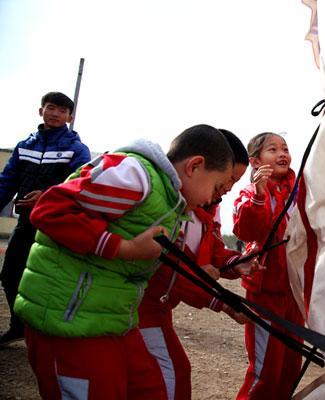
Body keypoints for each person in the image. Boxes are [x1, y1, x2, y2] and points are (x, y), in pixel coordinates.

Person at [13, 124, 234, 399]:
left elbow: (172, 261)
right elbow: (50, 209)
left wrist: (224, 301)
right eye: (216, 187)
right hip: (69, 322)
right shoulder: (136, 176)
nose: (214, 198)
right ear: (194, 166)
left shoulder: (171, 205)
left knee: (152, 389)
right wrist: (125, 248)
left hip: (113, 320)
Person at [138, 129, 255, 400]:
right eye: (224, 182)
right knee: (167, 376)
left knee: (175, 372)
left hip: (157, 309)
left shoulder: (205, 206)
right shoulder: (168, 205)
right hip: (139, 308)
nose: (226, 191)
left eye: (232, 183)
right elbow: (168, 267)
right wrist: (222, 302)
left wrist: (237, 262)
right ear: (198, 166)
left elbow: (211, 253)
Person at [0, 92, 91, 345]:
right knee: (10, 274)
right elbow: (6, 182)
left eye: (62, 111)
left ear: (70, 117)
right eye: (51, 108)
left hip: (57, 227)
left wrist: (47, 196)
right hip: (26, 222)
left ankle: (53, 335)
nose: (55, 113)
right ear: (41, 111)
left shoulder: (77, 150)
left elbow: (81, 186)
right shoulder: (24, 146)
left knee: (53, 281)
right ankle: (19, 327)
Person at [233, 132, 304, 399]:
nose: (282, 154)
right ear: (254, 161)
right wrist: (260, 195)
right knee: (265, 372)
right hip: (266, 294)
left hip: (295, 294)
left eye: (285, 148)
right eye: (272, 150)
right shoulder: (249, 194)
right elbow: (246, 231)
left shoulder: (301, 190)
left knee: (290, 369)